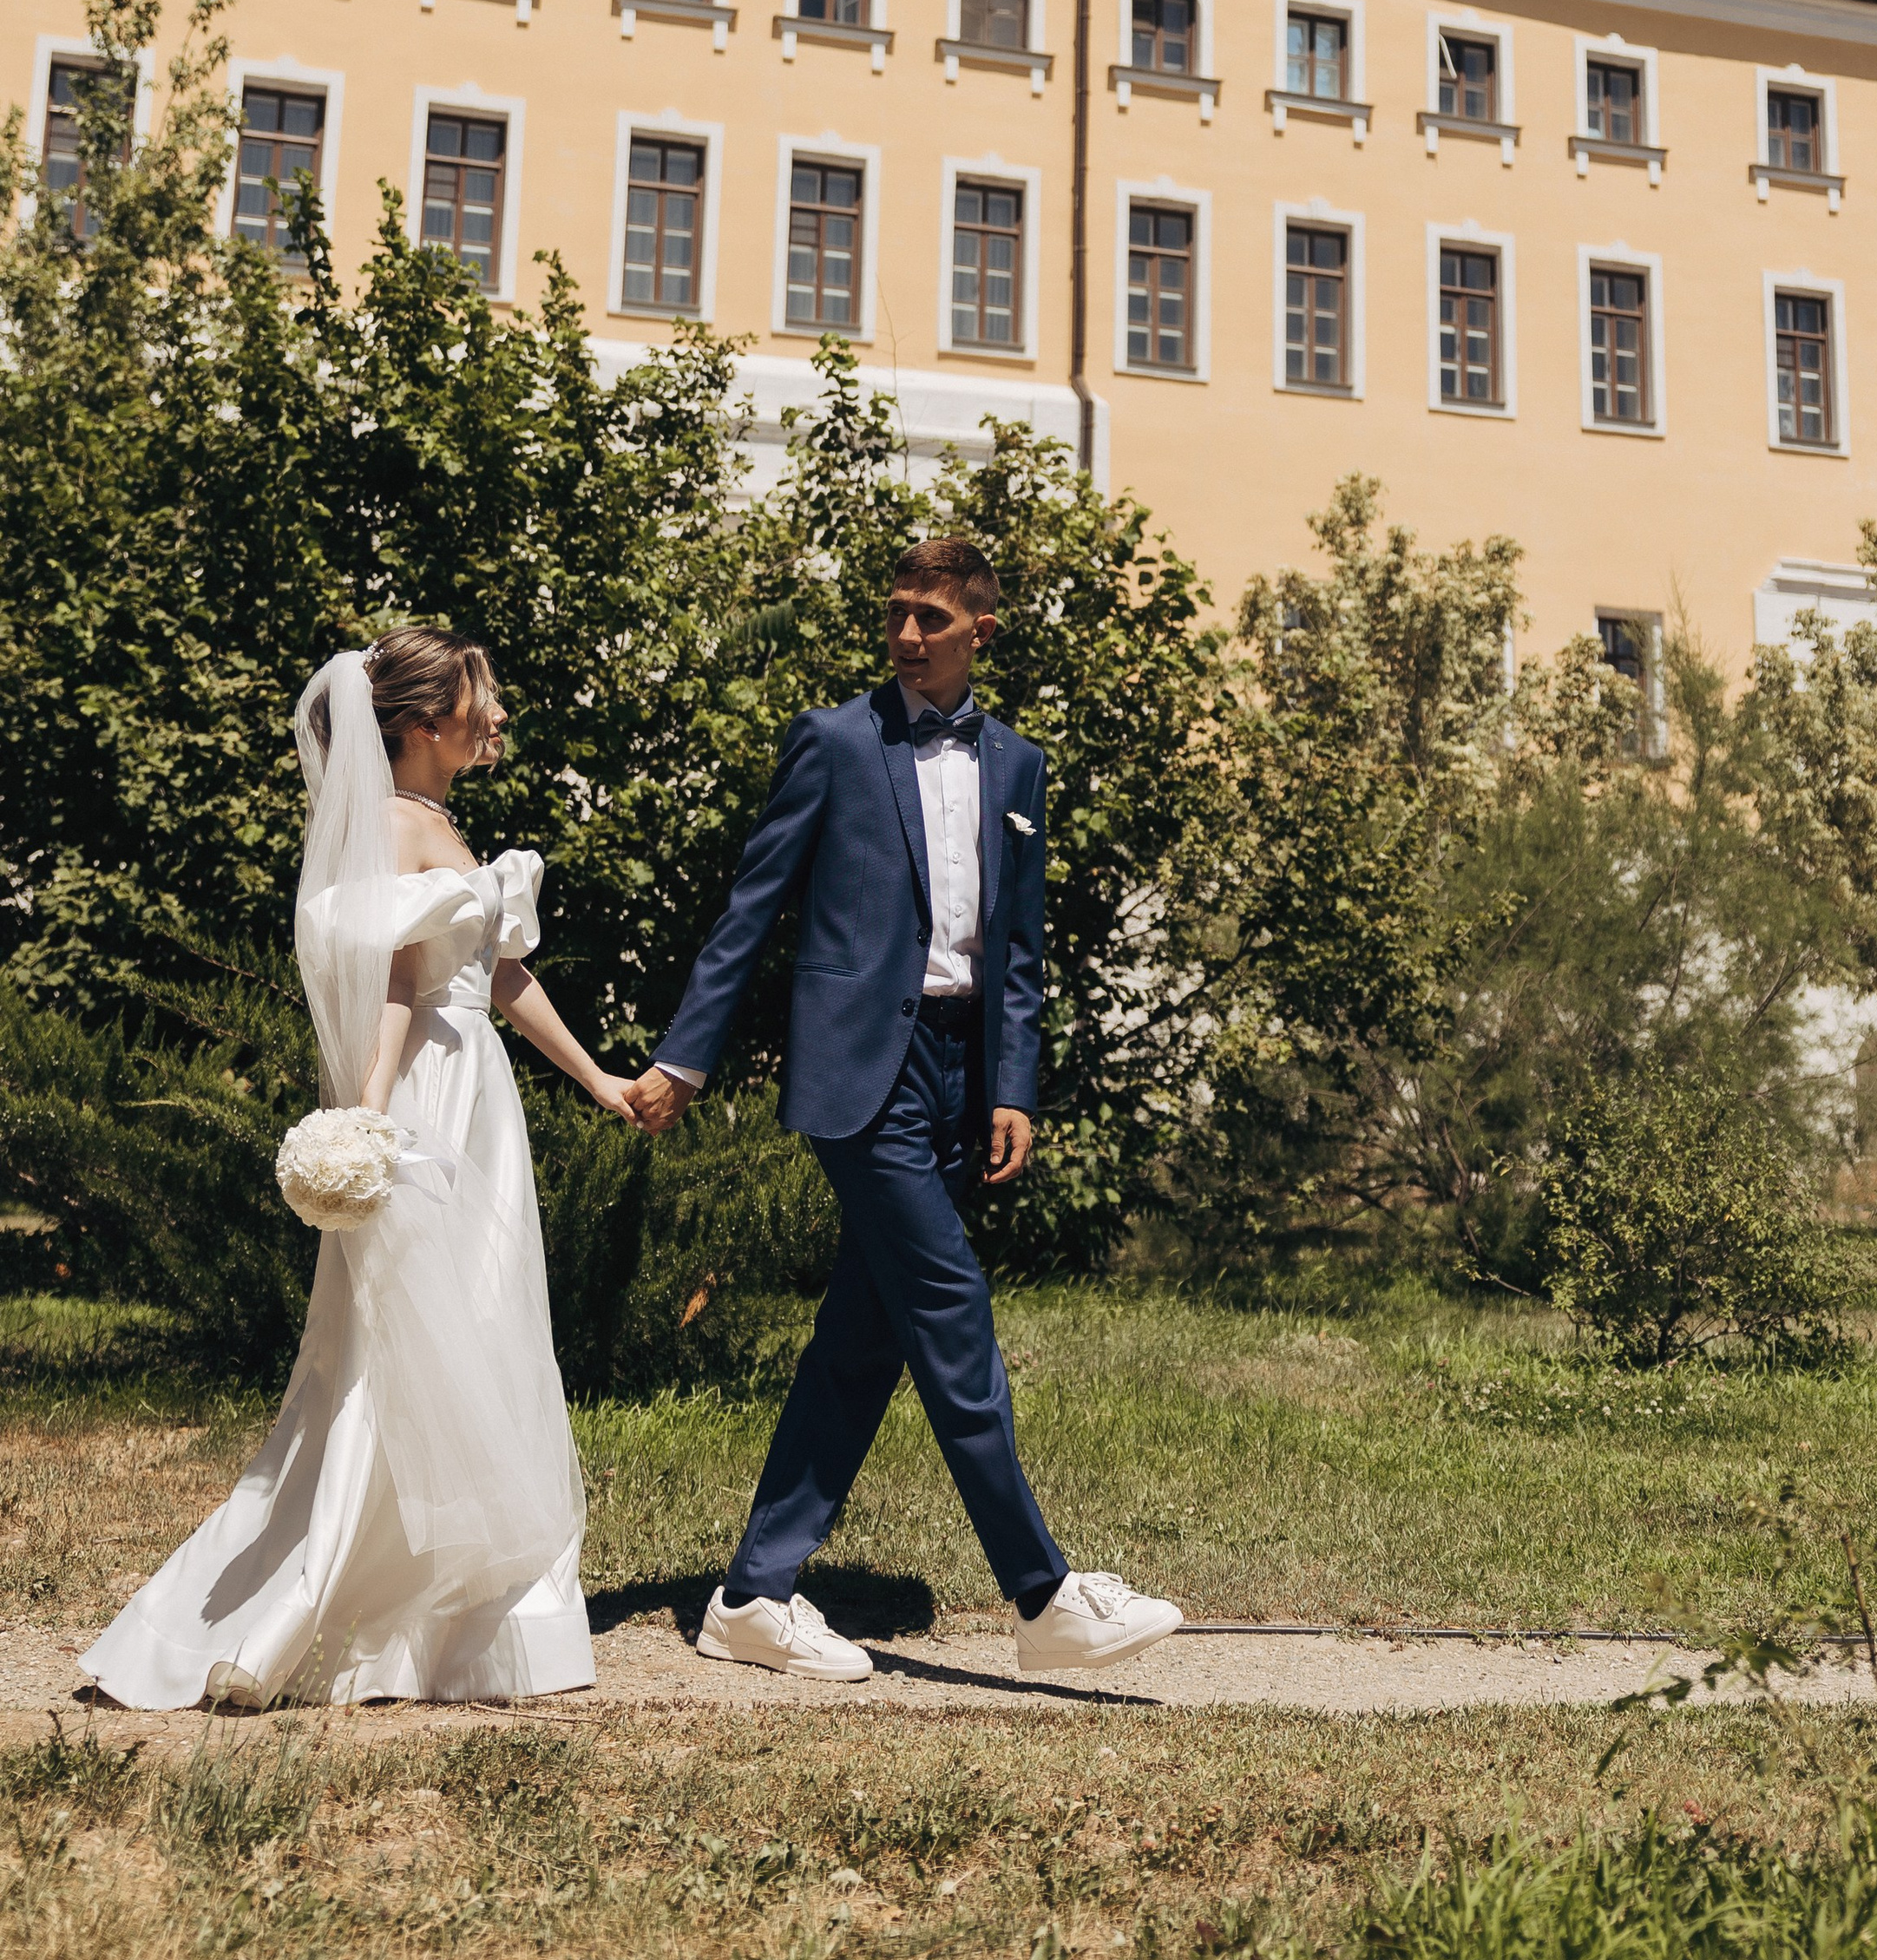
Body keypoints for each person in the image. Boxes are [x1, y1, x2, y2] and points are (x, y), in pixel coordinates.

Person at [627, 539, 1183, 1682]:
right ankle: (1042, 1594)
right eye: (897, 614)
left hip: (952, 1074)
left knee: (860, 1343)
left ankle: (751, 1593)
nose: (908, 635)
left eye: (932, 617)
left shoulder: (1018, 765)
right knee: (951, 1310)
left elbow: (1016, 951)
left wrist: (1011, 1086)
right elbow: (752, 910)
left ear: (982, 630)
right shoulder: (836, 741)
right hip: (857, 1073)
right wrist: (686, 1058)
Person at [81, 631, 635, 1710]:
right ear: (426, 724)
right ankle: (296, 1621)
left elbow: (496, 971)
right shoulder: (389, 825)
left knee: (472, 1338)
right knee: (397, 1355)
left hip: (480, 1100)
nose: (499, 716)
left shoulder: (437, 821)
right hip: (430, 1097)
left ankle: (454, 1624)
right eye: (485, 698)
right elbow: (389, 973)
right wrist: (368, 1122)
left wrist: (598, 1080)